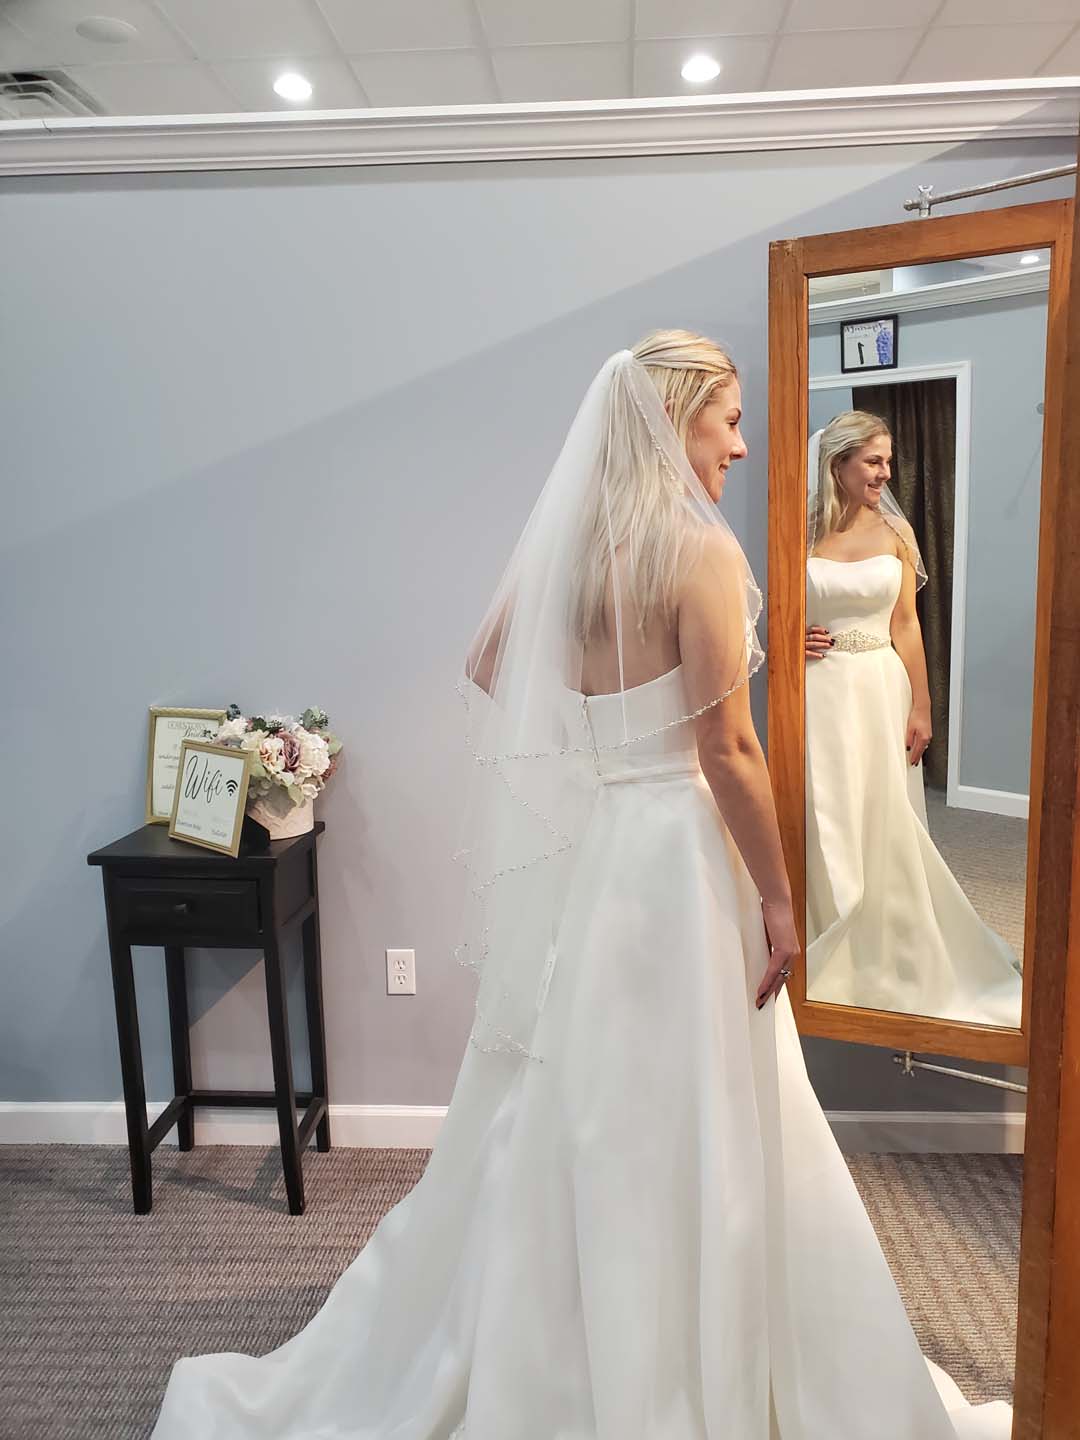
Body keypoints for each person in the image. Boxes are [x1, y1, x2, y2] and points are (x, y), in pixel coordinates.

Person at [151, 338, 1011, 1438]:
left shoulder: (587, 544)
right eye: (729, 420)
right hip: (677, 858)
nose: (743, 445)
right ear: (676, 418)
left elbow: (484, 664)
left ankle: (564, 1327)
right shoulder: (697, 554)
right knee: (692, 1097)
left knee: (587, 1096)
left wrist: (594, 733)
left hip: (606, 846)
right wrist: (783, 901)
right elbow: (730, 752)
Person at [804, 411, 1022, 1028]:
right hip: (819, 692)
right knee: (827, 811)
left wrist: (923, 707)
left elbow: (906, 624)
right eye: (873, 461)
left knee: (884, 814)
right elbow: (773, 611)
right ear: (839, 463)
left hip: (879, 686)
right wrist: (791, 639)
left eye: (888, 461)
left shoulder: (896, 534)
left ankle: (894, 950)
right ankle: (828, 934)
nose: (885, 473)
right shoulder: (799, 531)